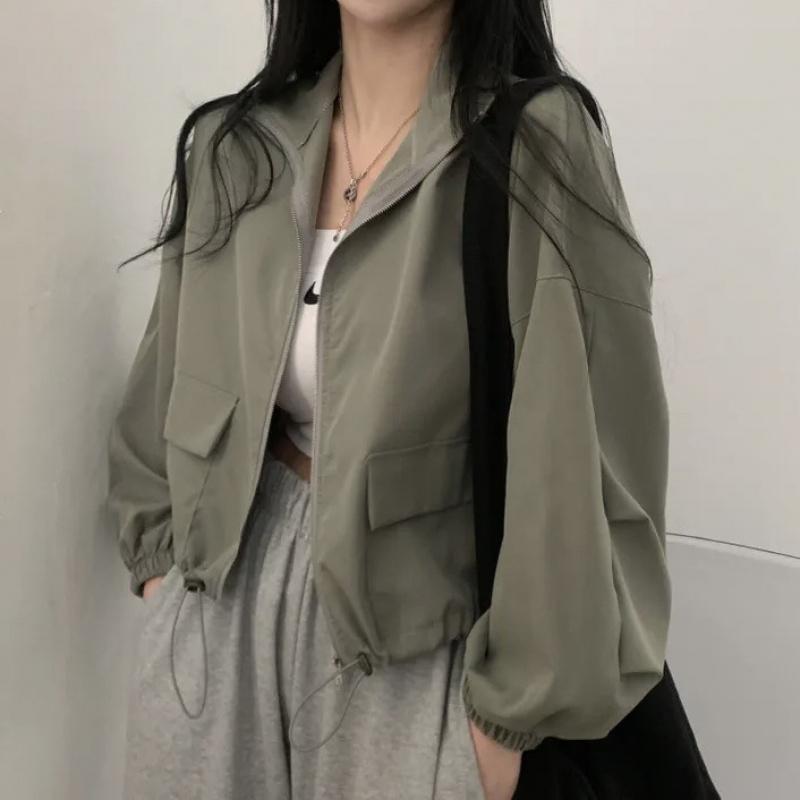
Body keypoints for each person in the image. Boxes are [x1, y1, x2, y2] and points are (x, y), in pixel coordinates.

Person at [106, 1, 672, 798]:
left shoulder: (534, 145)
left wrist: (504, 723)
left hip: (417, 646)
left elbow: (596, 461)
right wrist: (163, 577)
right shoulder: (236, 147)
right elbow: (162, 385)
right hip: (219, 607)